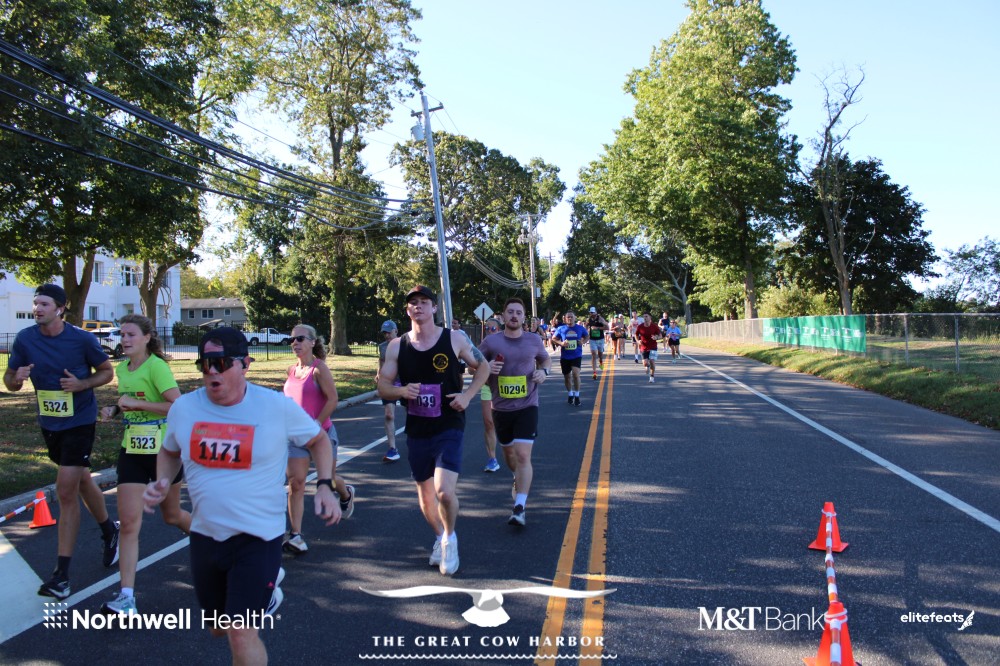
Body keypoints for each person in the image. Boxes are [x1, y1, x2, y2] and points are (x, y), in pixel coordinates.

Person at [143, 327, 341, 665]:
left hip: (258, 536)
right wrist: (161, 480)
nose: (212, 372)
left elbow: (319, 440)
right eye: (205, 364)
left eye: (221, 363)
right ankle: (266, 597)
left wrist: (324, 484)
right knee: (218, 628)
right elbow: (170, 450)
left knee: (240, 631)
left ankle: (261, 592)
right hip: (206, 535)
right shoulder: (185, 409)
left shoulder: (274, 407)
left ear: (245, 364)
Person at [4, 284, 120, 600]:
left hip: (80, 421)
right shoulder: (25, 338)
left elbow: (106, 372)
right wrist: (16, 379)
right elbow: (9, 380)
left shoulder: (81, 339)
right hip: (50, 423)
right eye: (35, 303)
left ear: (60, 308)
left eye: (44, 304)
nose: (37, 309)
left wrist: (82, 384)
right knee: (81, 480)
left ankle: (61, 577)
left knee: (66, 490)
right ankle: (110, 530)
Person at [376, 285, 489, 576]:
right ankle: (439, 536)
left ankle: (450, 539)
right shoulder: (396, 346)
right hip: (417, 427)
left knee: (444, 492)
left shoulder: (454, 338)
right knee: (426, 496)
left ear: (434, 308)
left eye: (424, 302)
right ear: (407, 310)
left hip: (449, 422)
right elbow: (382, 386)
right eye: (413, 302)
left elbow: (483, 367)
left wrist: (468, 396)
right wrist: (402, 391)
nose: (418, 306)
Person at [98, 314, 191, 615]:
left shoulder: (156, 367)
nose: (124, 340)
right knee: (128, 523)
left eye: (131, 335)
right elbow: (127, 403)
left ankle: (215, 544)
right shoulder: (122, 369)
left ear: (147, 337)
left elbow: (178, 405)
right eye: (122, 335)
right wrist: (114, 409)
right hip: (132, 450)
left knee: (172, 515)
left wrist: (139, 404)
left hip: (164, 452)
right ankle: (126, 597)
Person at [282, 324, 355, 556]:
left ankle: (346, 493)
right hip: (295, 438)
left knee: (329, 480)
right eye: (292, 340)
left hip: (320, 435)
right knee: (296, 483)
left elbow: (332, 399)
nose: (295, 343)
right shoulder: (291, 370)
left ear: (312, 342)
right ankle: (296, 535)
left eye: (300, 339)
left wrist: (316, 424)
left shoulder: (318, 369)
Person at [478, 298, 551, 526]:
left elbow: (546, 359)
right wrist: (486, 367)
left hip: (528, 406)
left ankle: (519, 507)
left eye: (519, 313)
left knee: (523, 456)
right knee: (510, 456)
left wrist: (544, 372)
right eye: (510, 312)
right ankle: (516, 477)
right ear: (503, 315)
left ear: (524, 317)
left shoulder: (533, 340)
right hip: (500, 408)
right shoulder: (491, 342)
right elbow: (473, 366)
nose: (514, 316)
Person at [377, 320, 402, 463]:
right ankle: (392, 448)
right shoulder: (382, 347)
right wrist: (379, 374)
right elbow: (381, 361)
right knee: (389, 414)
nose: (387, 335)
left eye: (389, 332)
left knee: (413, 413)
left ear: (396, 331)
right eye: (384, 333)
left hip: (404, 382)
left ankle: (418, 439)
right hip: (389, 383)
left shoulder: (405, 344)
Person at [551, 311, 588, 406]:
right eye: (568, 317)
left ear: (575, 318)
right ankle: (570, 394)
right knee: (567, 377)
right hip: (565, 356)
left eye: (571, 317)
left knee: (576, 374)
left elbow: (587, 336)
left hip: (576, 355)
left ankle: (577, 395)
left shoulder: (580, 328)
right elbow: (554, 338)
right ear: (565, 319)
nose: (570, 318)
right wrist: (561, 343)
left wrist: (583, 342)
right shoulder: (561, 328)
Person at [480, 318, 502, 473]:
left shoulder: (506, 344)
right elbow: (471, 369)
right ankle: (492, 459)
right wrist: (486, 366)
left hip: (506, 388)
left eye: (492, 328)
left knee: (507, 423)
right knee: (489, 423)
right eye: (487, 328)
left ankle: (514, 452)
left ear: (499, 329)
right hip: (487, 387)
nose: (489, 331)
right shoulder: (483, 346)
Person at [635, 313, 663, 383]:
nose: (645, 318)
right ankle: (647, 366)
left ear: (650, 317)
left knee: (652, 361)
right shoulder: (640, 326)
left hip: (653, 346)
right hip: (644, 347)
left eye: (646, 316)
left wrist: (656, 337)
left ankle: (652, 376)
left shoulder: (654, 326)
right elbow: (636, 335)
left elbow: (660, 335)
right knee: (645, 363)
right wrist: (638, 341)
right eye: (644, 316)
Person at [585, 306, 608, 380]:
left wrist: (597, 328)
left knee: (600, 354)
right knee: (594, 354)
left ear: (596, 312)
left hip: (600, 339)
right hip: (592, 339)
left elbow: (607, 327)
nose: (592, 314)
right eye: (590, 312)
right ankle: (594, 372)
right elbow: (585, 327)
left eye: (593, 312)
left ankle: (601, 361)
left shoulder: (600, 319)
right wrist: (586, 330)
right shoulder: (589, 319)